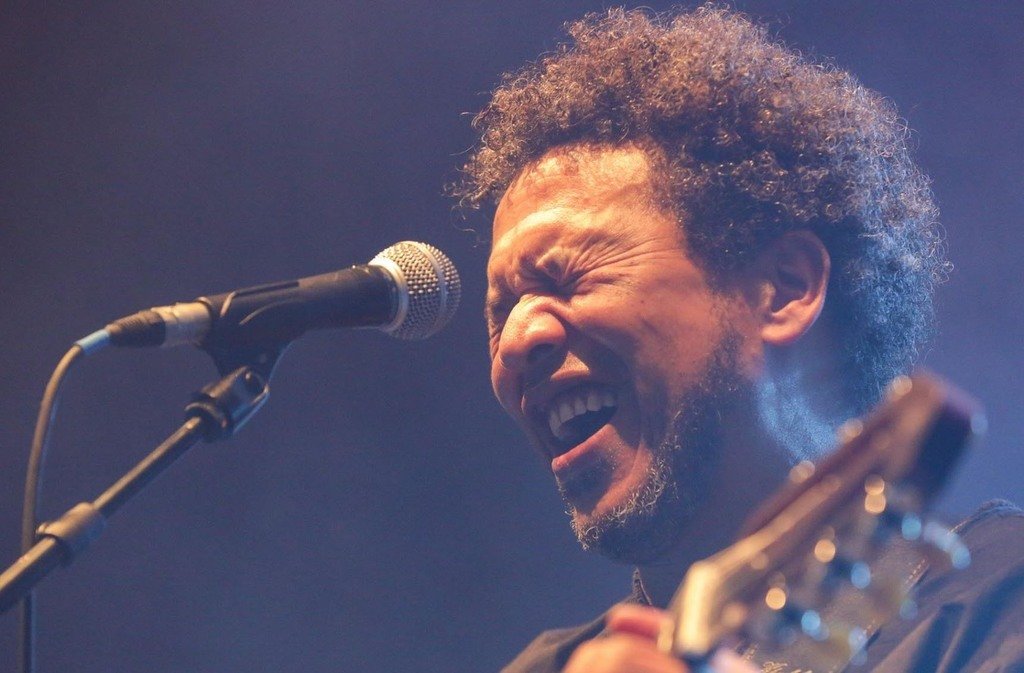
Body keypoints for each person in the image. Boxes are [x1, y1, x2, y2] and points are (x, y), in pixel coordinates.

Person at [453, 6, 1024, 673]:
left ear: (783, 289)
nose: (516, 341)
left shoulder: (1000, 603)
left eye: (567, 276)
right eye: (501, 311)